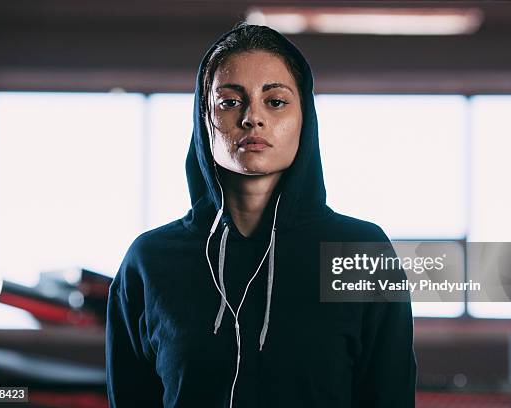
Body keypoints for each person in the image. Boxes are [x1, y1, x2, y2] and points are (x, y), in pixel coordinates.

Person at [106, 22, 417, 407]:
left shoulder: (362, 252)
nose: (253, 117)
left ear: (305, 118)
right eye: (230, 101)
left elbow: (389, 396)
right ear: (204, 120)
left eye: (275, 101)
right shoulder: (149, 261)